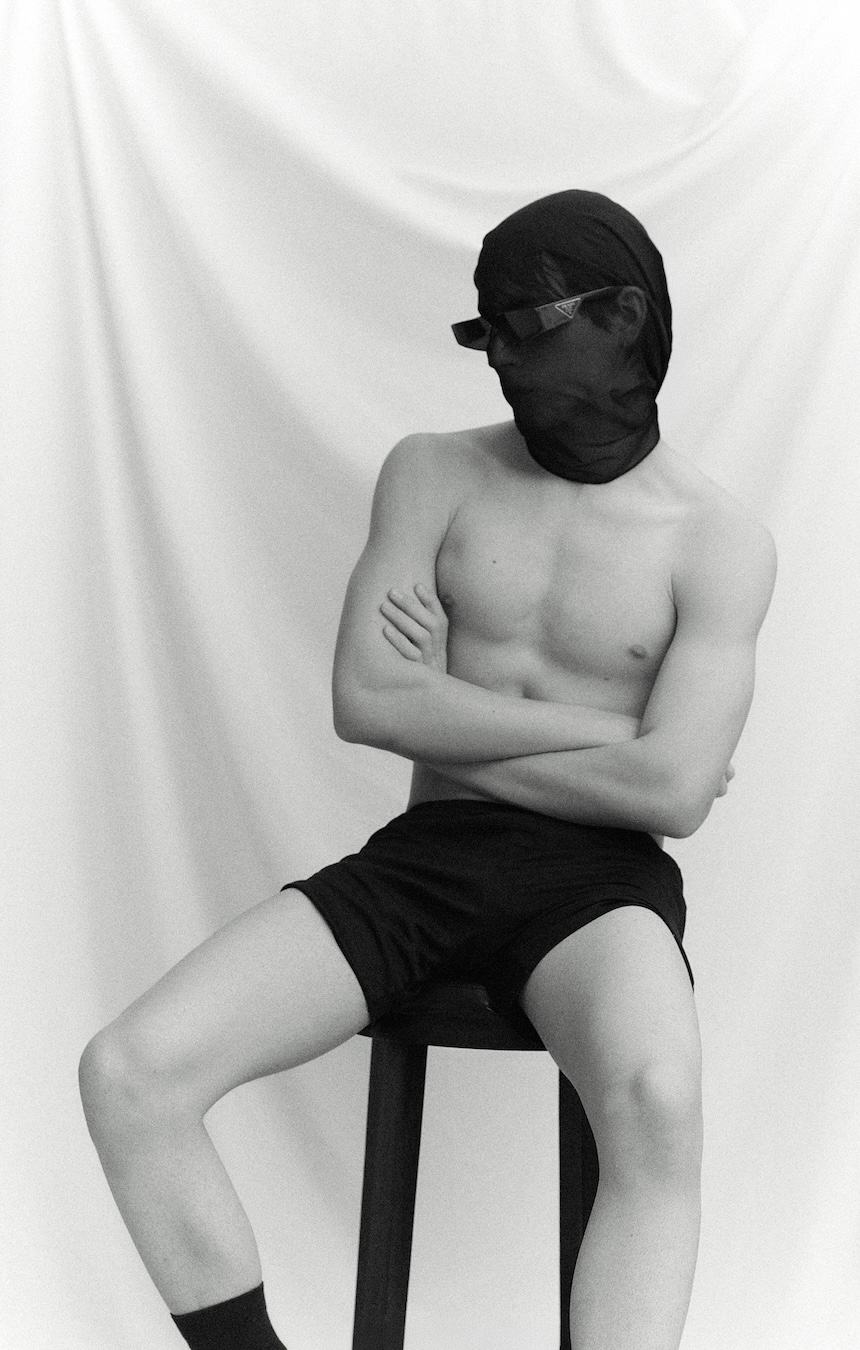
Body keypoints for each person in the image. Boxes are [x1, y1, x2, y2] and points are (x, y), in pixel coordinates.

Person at [79, 189, 776, 1350]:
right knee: (129, 1074)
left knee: (659, 1104)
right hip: (425, 862)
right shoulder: (433, 474)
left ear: (623, 318)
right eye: (481, 330)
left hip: (598, 889)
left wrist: (449, 717)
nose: (497, 355)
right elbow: (367, 703)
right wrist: (615, 738)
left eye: (525, 327)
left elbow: (668, 801)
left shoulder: (718, 540)